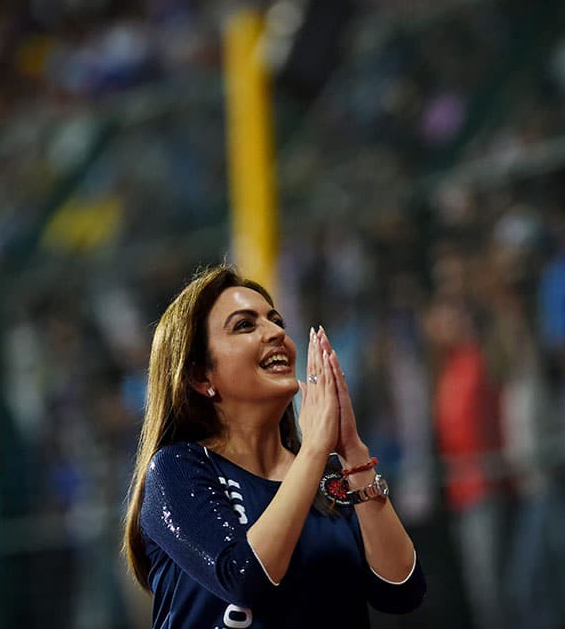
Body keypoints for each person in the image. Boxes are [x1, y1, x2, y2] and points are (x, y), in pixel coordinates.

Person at [122, 265, 425, 628]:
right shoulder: (177, 469)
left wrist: (353, 452)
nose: (276, 332)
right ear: (201, 377)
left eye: (275, 320)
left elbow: (402, 592)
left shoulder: (327, 479)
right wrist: (314, 450)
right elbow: (243, 576)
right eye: (245, 325)